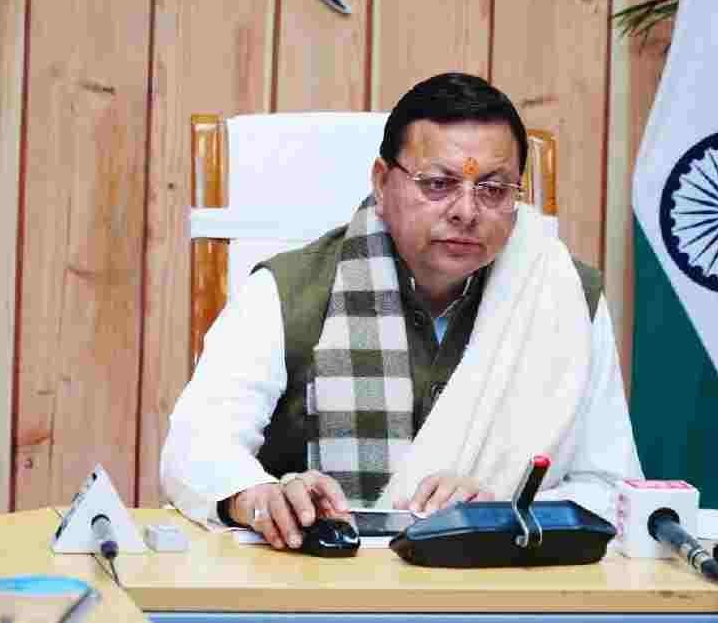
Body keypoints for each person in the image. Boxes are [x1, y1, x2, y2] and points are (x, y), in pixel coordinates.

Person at [161, 72, 642, 551]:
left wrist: (502, 512)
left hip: (501, 578)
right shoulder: (287, 291)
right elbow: (196, 447)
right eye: (438, 184)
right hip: (317, 579)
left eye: (494, 189)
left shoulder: (560, 295)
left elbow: (610, 489)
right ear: (381, 182)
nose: (466, 211)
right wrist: (258, 497)